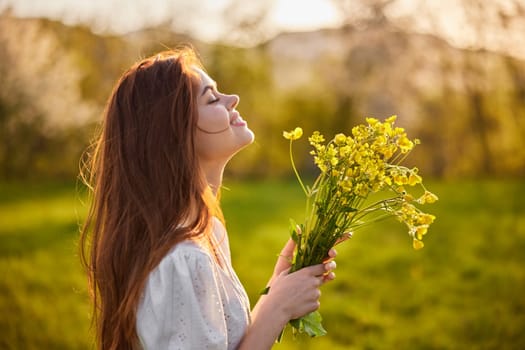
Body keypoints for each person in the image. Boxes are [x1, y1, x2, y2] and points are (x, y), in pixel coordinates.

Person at [80, 46, 337, 350]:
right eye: (212, 98)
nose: (233, 99)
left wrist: (277, 288)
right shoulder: (182, 259)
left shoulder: (207, 232)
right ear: (173, 134)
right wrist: (278, 307)